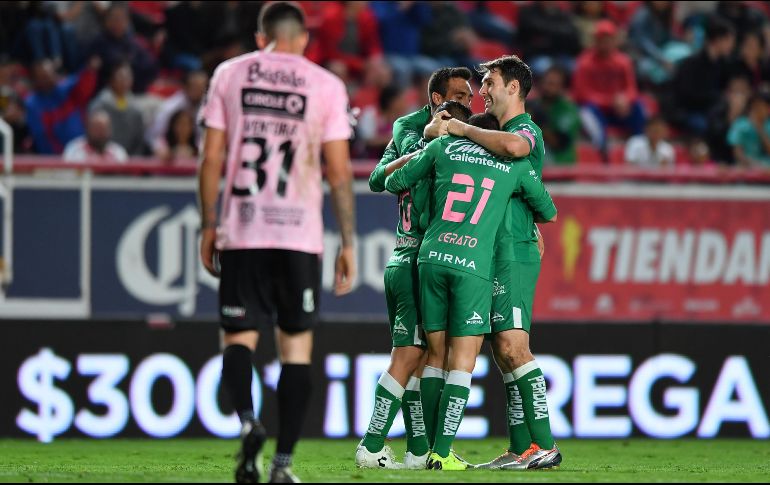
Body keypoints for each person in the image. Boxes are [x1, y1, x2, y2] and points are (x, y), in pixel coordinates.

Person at [197, 2, 356, 483]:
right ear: (303, 38)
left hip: (244, 231)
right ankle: (283, 466)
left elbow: (212, 159)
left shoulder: (230, 74)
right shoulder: (325, 85)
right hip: (298, 236)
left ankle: (248, 422)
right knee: (296, 350)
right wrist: (347, 240)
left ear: (260, 34)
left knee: (239, 339)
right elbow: (340, 172)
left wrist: (209, 225)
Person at [385, 111, 557, 471]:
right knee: (472, 358)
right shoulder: (512, 166)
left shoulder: (444, 147)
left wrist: (429, 141)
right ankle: (444, 452)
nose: (482, 91)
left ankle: (427, 450)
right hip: (475, 262)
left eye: (488, 83)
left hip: (430, 256)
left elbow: (388, 181)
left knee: (439, 355)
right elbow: (548, 210)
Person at [433, 54, 562, 470]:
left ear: (513, 88)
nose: (482, 91)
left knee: (514, 346)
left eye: (489, 83)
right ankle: (521, 447)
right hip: (490, 251)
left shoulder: (524, 131)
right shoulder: (494, 134)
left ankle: (545, 444)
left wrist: (457, 127)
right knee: (502, 352)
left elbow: (516, 149)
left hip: (514, 253)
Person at [357, 67, 473, 471]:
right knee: (409, 354)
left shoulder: (461, 131)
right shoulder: (413, 128)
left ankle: (418, 449)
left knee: (422, 357)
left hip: (406, 258)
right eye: (460, 94)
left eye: (471, 95)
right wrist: (427, 140)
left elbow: (380, 177)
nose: (468, 102)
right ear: (438, 99)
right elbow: (375, 179)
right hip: (417, 259)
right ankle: (371, 445)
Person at [573, 19, 646, 153]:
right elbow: (581, 94)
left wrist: (625, 99)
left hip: (618, 109)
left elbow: (632, 89)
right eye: (602, 39)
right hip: (597, 109)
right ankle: (602, 150)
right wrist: (610, 101)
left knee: (638, 106)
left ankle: (639, 148)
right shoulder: (584, 62)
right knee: (586, 111)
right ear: (595, 41)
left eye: (609, 39)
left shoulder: (623, 61)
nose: (605, 43)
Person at [89, 62, 147, 156]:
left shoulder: (136, 109)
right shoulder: (99, 105)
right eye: (121, 76)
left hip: (128, 161)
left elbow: (139, 141)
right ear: (111, 79)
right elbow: (92, 136)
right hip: (100, 158)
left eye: (128, 77)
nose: (125, 81)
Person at [527, 66, 580, 165]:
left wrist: (537, 123)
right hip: (535, 162)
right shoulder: (531, 104)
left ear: (562, 88)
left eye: (552, 84)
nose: (547, 87)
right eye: (545, 82)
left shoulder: (567, 110)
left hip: (560, 163)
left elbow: (558, 143)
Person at [63, 109, 128, 163]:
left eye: (103, 129)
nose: (100, 133)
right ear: (88, 128)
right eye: (96, 128)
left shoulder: (118, 152)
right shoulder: (74, 149)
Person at [727, 92, 770, 167]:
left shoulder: (768, 125)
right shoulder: (740, 124)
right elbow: (737, 153)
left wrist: (759, 129)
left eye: (766, 107)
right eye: (757, 106)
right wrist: (753, 164)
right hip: (746, 167)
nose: (761, 110)